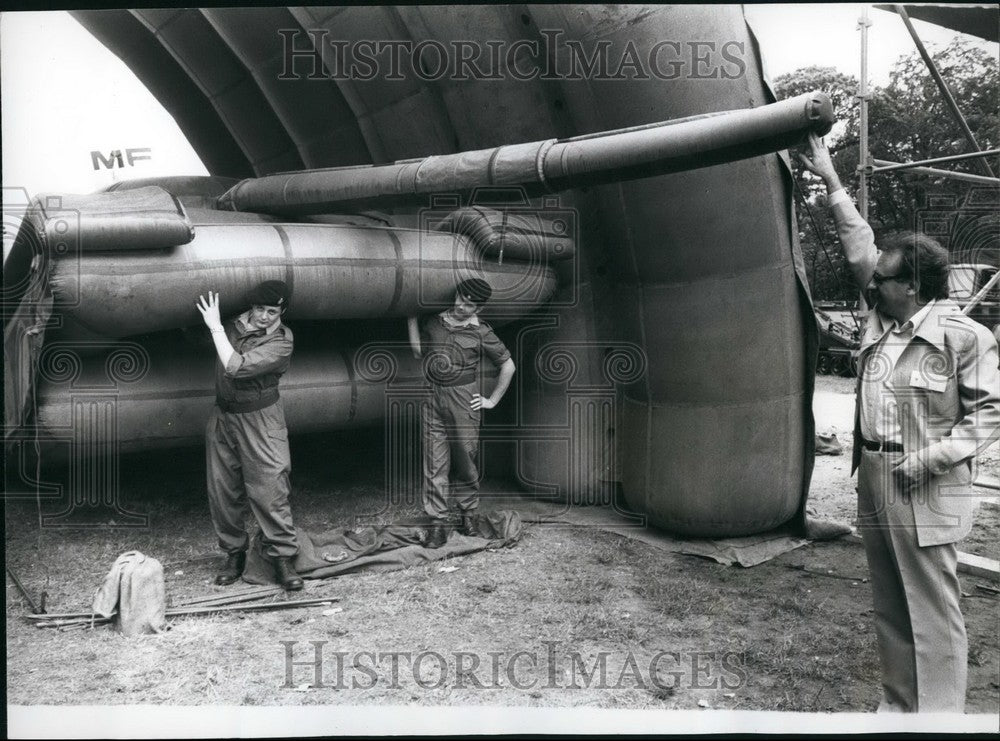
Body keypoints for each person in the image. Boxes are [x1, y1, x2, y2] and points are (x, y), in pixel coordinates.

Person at [801, 132, 1000, 712]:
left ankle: (937, 722)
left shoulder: (962, 337)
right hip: (876, 480)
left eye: (882, 279)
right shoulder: (880, 322)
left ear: (911, 286)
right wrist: (830, 178)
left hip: (928, 486)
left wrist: (931, 460)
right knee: (890, 603)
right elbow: (859, 244)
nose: (870, 283)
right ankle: (897, 711)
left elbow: (990, 412)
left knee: (933, 611)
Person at [196, 280, 303, 591]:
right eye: (260, 309)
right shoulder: (233, 326)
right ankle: (234, 554)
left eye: (272, 311)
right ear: (251, 307)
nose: (265, 316)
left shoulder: (282, 341)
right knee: (222, 490)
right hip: (223, 416)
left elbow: (235, 367)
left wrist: (215, 327)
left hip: (261, 418)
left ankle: (282, 558)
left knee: (270, 487)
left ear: (282, 312)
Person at [407, 278, 516, 548]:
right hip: (433, 397)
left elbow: (508, 365)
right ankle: (437, 523)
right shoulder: (434, 322)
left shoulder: (482, 332)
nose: (461, 306)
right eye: (460, 299)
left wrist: (492, 400)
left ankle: (468, 515)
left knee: (466, 458)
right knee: (434, 460)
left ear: (479, 307)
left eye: (469, 305)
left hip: (463, 398)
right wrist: (409, 318)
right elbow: (419, 352)